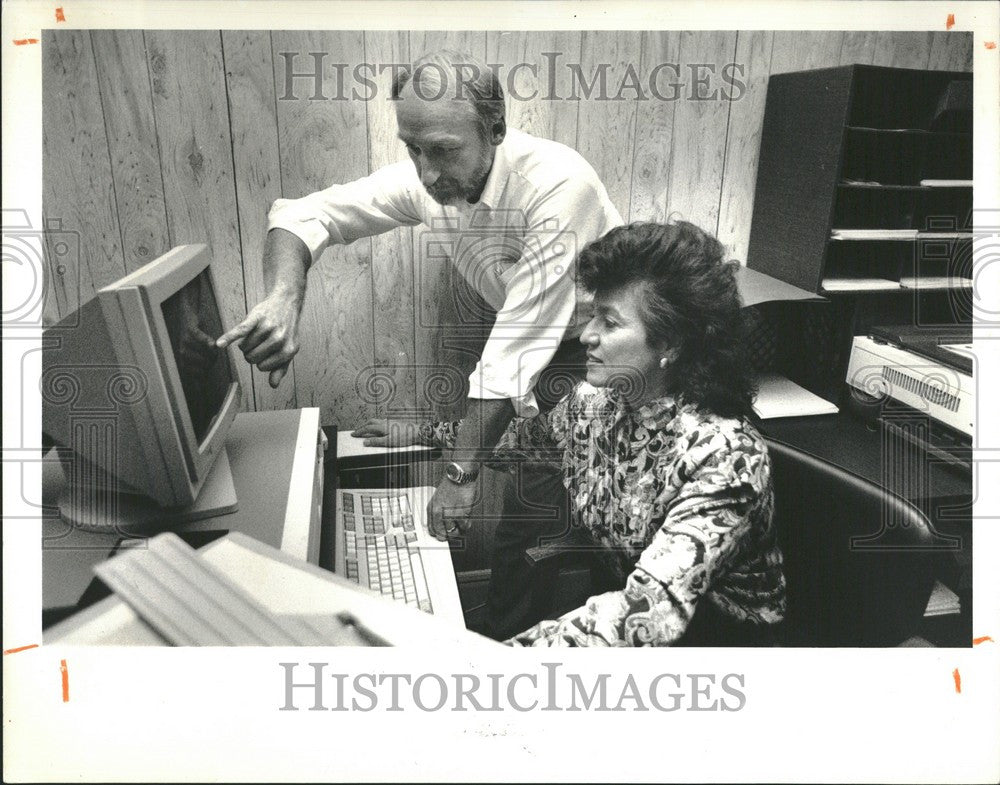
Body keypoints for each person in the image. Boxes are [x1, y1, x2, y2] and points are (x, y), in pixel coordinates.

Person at [216, 49, 622, 640]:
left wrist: (458, 475)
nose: (427, 175)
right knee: (522, 530)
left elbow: (513, 351)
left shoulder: (560, 185)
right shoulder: (430, 179)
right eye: (413, 149)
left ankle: (518, 670)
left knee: (532, 532)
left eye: (442, 150)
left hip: (594, 358)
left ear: (496, 131)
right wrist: (283, 297)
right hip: (535, 353)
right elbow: (306, 215)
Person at [358, 221, 787, 646]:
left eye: (610, 322)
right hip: (632, 628)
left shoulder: (726, 455)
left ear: (672, 343)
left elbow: (649, 613)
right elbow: (520, 441)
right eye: (593, 314)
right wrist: (422, 433)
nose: (587, 335)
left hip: (719, 651)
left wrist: (493, 667)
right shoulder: (596, 403)